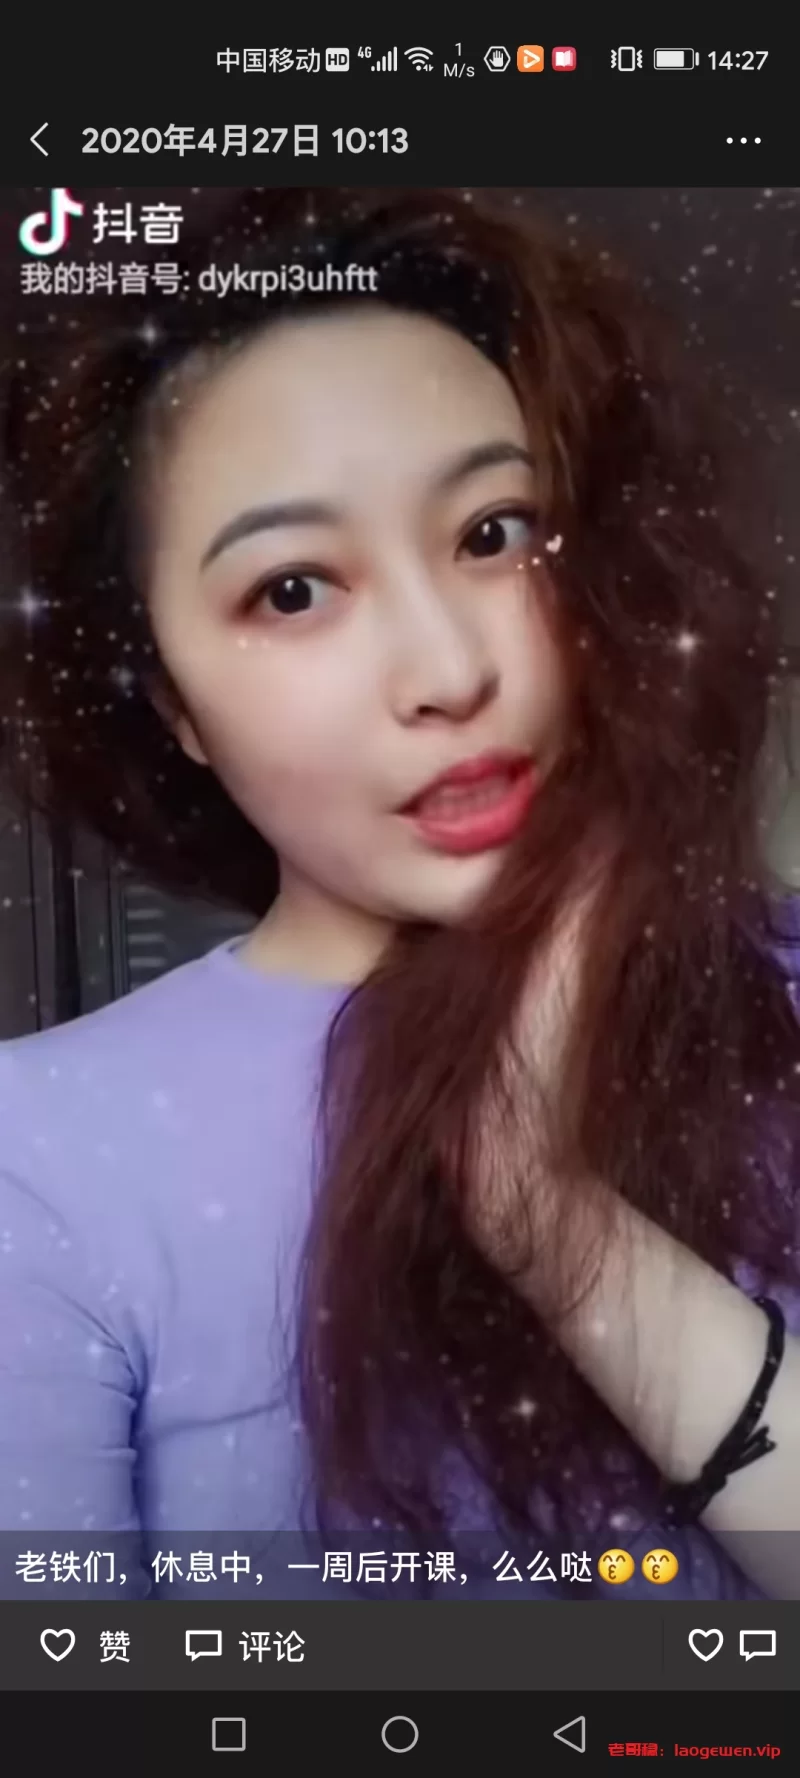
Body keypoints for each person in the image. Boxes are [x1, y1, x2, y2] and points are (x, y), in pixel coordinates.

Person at [0, 186, 798, 1603]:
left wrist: (552, 1217)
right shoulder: (43, 1159)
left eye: (495, 533)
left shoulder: (781, 981)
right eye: (293, 590)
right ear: (176, 708)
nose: (448, 670)